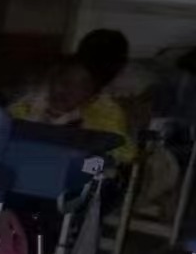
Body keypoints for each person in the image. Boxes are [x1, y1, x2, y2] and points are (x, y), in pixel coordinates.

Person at [9, 29, 136, 164]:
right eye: (64, 82)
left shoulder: (103, 114)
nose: (67, 91)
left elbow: (122, 155)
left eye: (80, 88)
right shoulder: (27, 105)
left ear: (91, 96)